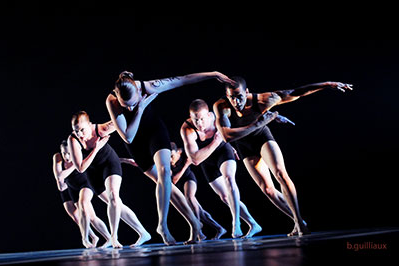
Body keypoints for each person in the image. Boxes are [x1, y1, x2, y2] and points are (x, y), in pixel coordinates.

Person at [106, 70, 235, 245]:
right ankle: (195, 223)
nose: (129, 108)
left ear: (138, 91)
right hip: (136, 143)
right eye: (126, 106)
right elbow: (128, 136)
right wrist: (140, 108)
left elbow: (182, 80)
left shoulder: (147, 87)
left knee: (165, 172)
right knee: (164, 183)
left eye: (133, 103)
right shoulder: (112, 101)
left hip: (154, 132)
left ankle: (162, 225)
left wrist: (212, 74)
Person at [213, 77, 353, 236]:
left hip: (261, 137)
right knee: (268, 190)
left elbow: (296, 92)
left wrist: (327, 84)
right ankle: (296, 221)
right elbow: (227, 136)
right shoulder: (221, 106)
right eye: (231, 96)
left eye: (239, 96)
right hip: (245, 145)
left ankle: (300, 223)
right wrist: (258, 123)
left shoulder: (263, 100)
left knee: (280, 173)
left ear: (247, 92)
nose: (235, 101)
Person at [68, 111, 151, 248]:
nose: (80, 134)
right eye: (76, 131)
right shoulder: (73, 140)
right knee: (115, 203)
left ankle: (114, 237)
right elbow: (81, 168)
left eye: (82, 130)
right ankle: (143, 232)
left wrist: (138, 108)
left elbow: (124, 121)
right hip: (92, 171)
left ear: (90, 125)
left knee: (113, 196)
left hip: (109, 163)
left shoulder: (101, 129)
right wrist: (96, 148)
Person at [180, 99, 262, 238]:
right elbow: (195, 160)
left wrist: (229, 145)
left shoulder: (216, 117)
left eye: (202, 119)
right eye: (195, 120)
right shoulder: (186, 128)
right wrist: (216, 140)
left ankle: (236, 223)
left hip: (223, 152)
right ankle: (254, 224)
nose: (199, 124)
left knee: (229, 179)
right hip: (207, 159)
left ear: (209, 116)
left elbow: (231, 130)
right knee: (224, 197)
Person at [53, 140, 108, 248]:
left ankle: (88, 238)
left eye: (69, 153)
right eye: (64, 153)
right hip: (70, 187)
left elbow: (99, 162)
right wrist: (74, 166)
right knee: (77, 217)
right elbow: (59, 179)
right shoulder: (58, 157)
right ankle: (94, 237)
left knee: (87, 212)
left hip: (84, 183)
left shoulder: (79, 155)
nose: (67, 156)